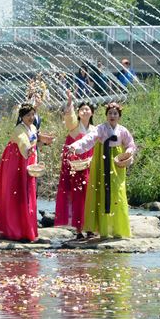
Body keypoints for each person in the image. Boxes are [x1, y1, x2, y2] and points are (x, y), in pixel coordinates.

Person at [68, 102, 137, 238]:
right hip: (101, 161)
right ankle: (103, 230)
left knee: (117, 192)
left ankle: (118, 229)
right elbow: (88, 139)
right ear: (106, 115)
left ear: (119, 116)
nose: (112, 115)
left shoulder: (122, 130)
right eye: (110, 113)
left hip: (116, 164)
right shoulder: (101, 129)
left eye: (115, 113)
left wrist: (128, 153)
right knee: (100, 192)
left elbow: (131, 144)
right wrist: (75, 146)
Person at [0, 103, 40, 242]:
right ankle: (14, 229)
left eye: (32, 114)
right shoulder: (19, 129)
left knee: (27, 192)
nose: (31, 117)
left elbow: (34, 142)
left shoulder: (33, 127)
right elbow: (24, 142)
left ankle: (26, 228)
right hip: (15, 162)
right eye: (27, 115)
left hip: (28, 160)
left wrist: (40, 144)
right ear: (21, 116)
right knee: (15, 192)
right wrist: (29, 149)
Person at [55, 90, 96, 239]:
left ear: (92, 113)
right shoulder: (74, 127)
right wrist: (70, 102)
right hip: (76, 167)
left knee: (91, 196)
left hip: (90, 166)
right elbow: (68, 116)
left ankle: (91, 227)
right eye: (82, 109)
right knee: (77, 196)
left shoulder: (94, 130)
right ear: (78, 113)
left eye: (87, 109)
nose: (85, 111)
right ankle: (79, 230)